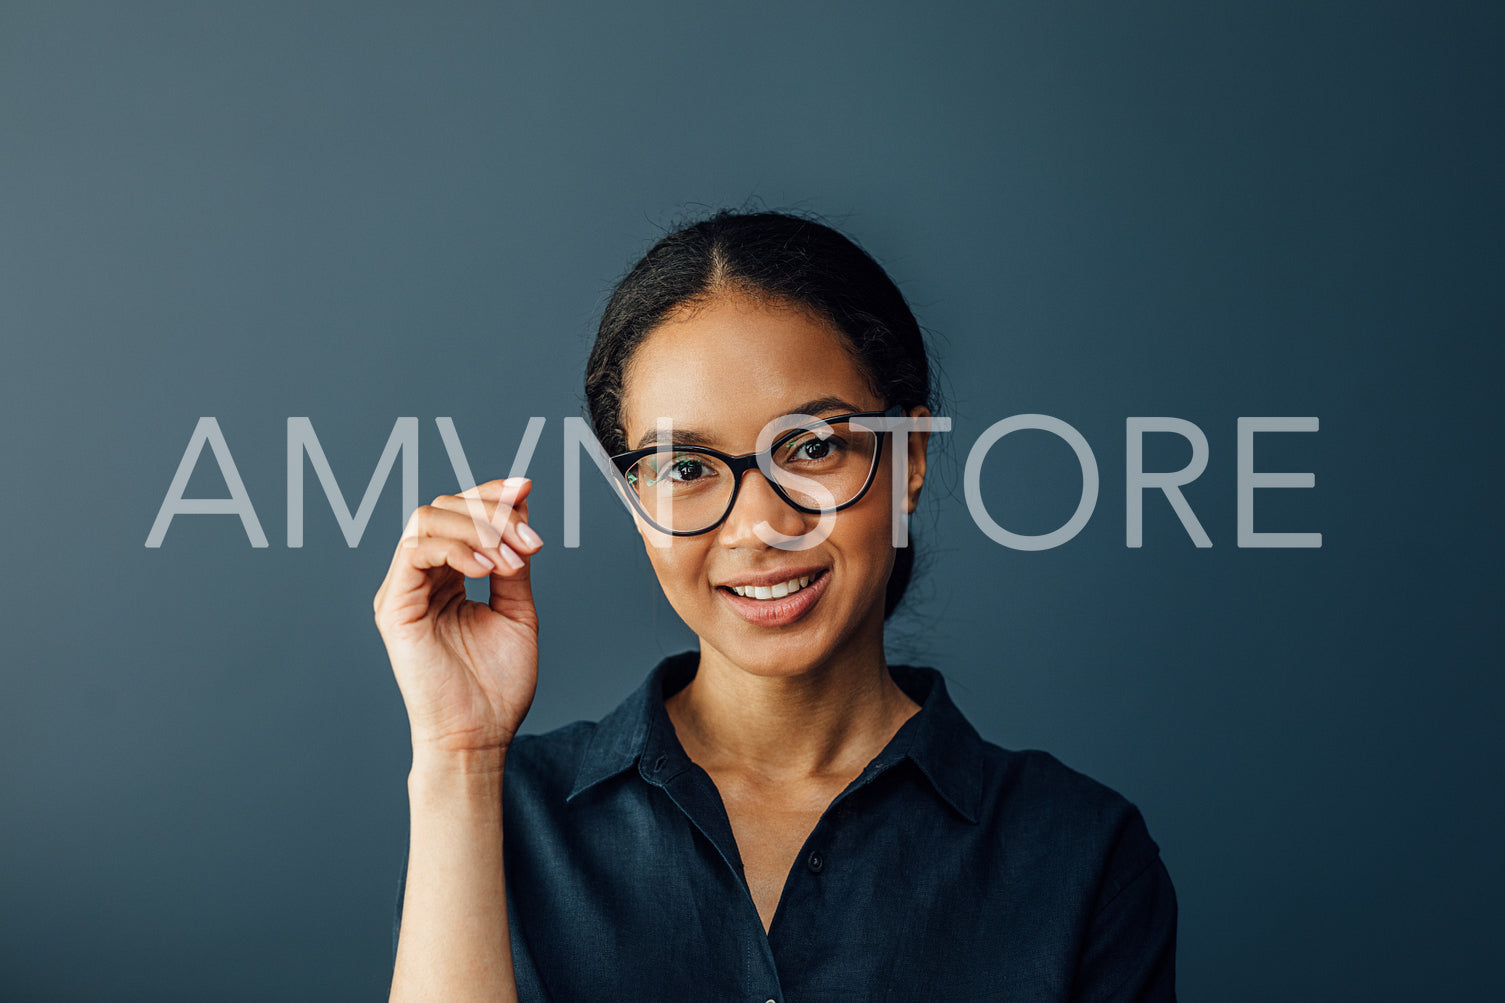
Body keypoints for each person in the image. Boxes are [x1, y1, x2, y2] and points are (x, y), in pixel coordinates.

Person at [376, 209, 1178, 1001]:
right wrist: (456, 755)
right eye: (685, 467)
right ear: (633, 499)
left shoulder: (1079, 853)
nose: (760, 526)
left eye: (814, 448)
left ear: (909, 457)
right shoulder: (500, 815)